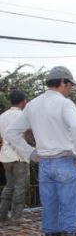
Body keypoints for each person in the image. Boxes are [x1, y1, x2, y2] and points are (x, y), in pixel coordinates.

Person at [5, 66, 76, 236]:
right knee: (70, 206)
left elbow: (11, 133)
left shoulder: (33, 105)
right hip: (64, 161)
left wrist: (30, 153)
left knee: (49, 207)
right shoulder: (64, 104)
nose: (70, 89)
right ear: (63, 82)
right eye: (69, 85)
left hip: (44, 165)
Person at [0, 90, 29, 223]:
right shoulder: (23, 116)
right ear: (23, 101)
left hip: (5, 155)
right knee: (20, 186)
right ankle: (17, 216)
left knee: (9, 185)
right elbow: (27, 133)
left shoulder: (2, 116)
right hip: (19, 156)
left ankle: (2, 214)